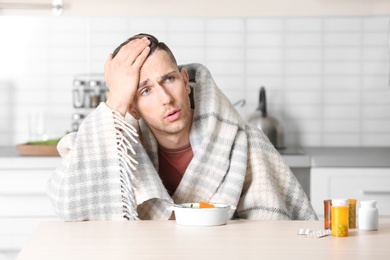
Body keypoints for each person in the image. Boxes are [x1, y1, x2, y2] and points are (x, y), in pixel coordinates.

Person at [47, 33, 317, 221]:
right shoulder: (121, 150)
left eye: (169, 79)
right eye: (145, 91)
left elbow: (271, 226)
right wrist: (116, 100)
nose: (166, 98)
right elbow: (69, 203)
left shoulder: (244, 142)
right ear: (131, 107)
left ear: (185, 81)